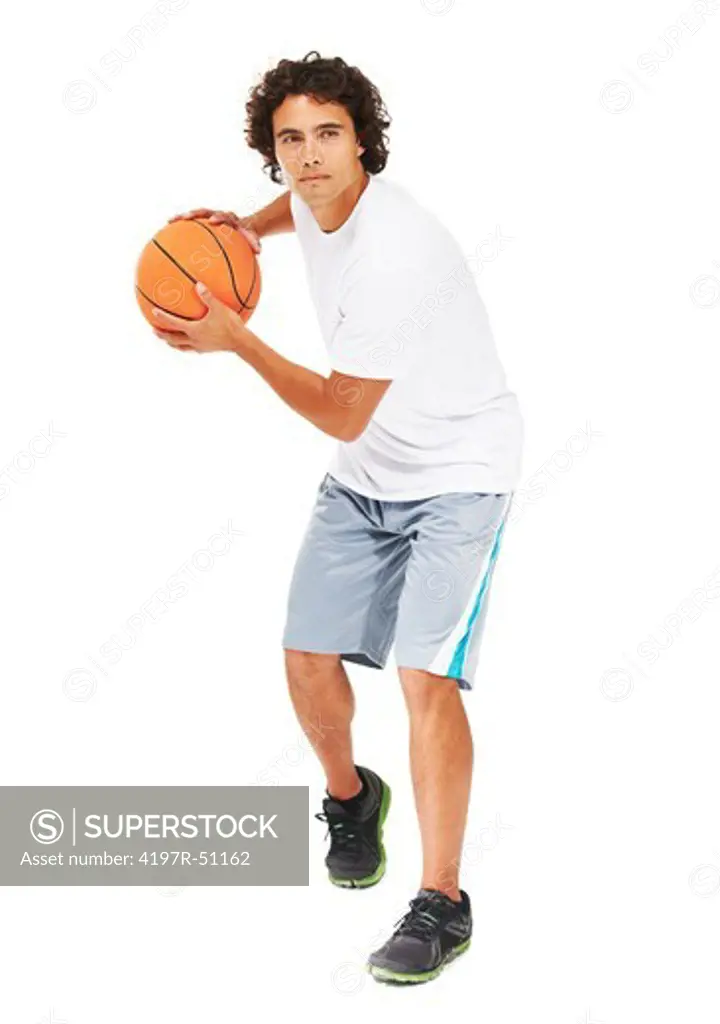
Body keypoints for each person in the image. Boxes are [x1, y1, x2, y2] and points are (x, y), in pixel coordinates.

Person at [153, 50, 523, 985]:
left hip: (458, 473)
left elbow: (338, 409)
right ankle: (355, 800)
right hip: (370, 474)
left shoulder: (397, 255)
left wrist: (236, 340)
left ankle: (443, 900)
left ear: (363, 141)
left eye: (328, 135)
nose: (311, 156)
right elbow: (304, 217)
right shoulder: (314, 199)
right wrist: (245, 227)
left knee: (423, 677)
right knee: (304, 658)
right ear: (274, 153)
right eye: (291, 140)